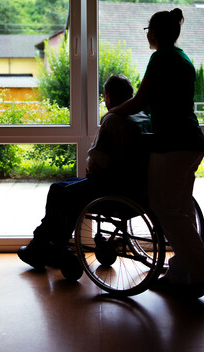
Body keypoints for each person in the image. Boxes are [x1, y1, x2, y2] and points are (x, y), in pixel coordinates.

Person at [106, 8, 204, 299]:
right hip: (192, 142)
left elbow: (140, 100)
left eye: (148, 30)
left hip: (172, 144)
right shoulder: (183, 59)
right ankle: (179, 273)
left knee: (165, 209)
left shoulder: (160, 58)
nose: (147, 35)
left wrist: (110, 114)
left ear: (155, 33)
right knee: (182, 210)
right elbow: (161, 102)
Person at [18, 74, 151, 276]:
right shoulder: (143, 118)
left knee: (59, 191)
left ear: (109, 96)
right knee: (67, 187)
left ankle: (49, 246)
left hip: (112, 190)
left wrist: (90, 166)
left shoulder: (114, 120)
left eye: (105, 96)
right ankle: (46, 245)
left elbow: (97, 161)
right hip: (137, 190)